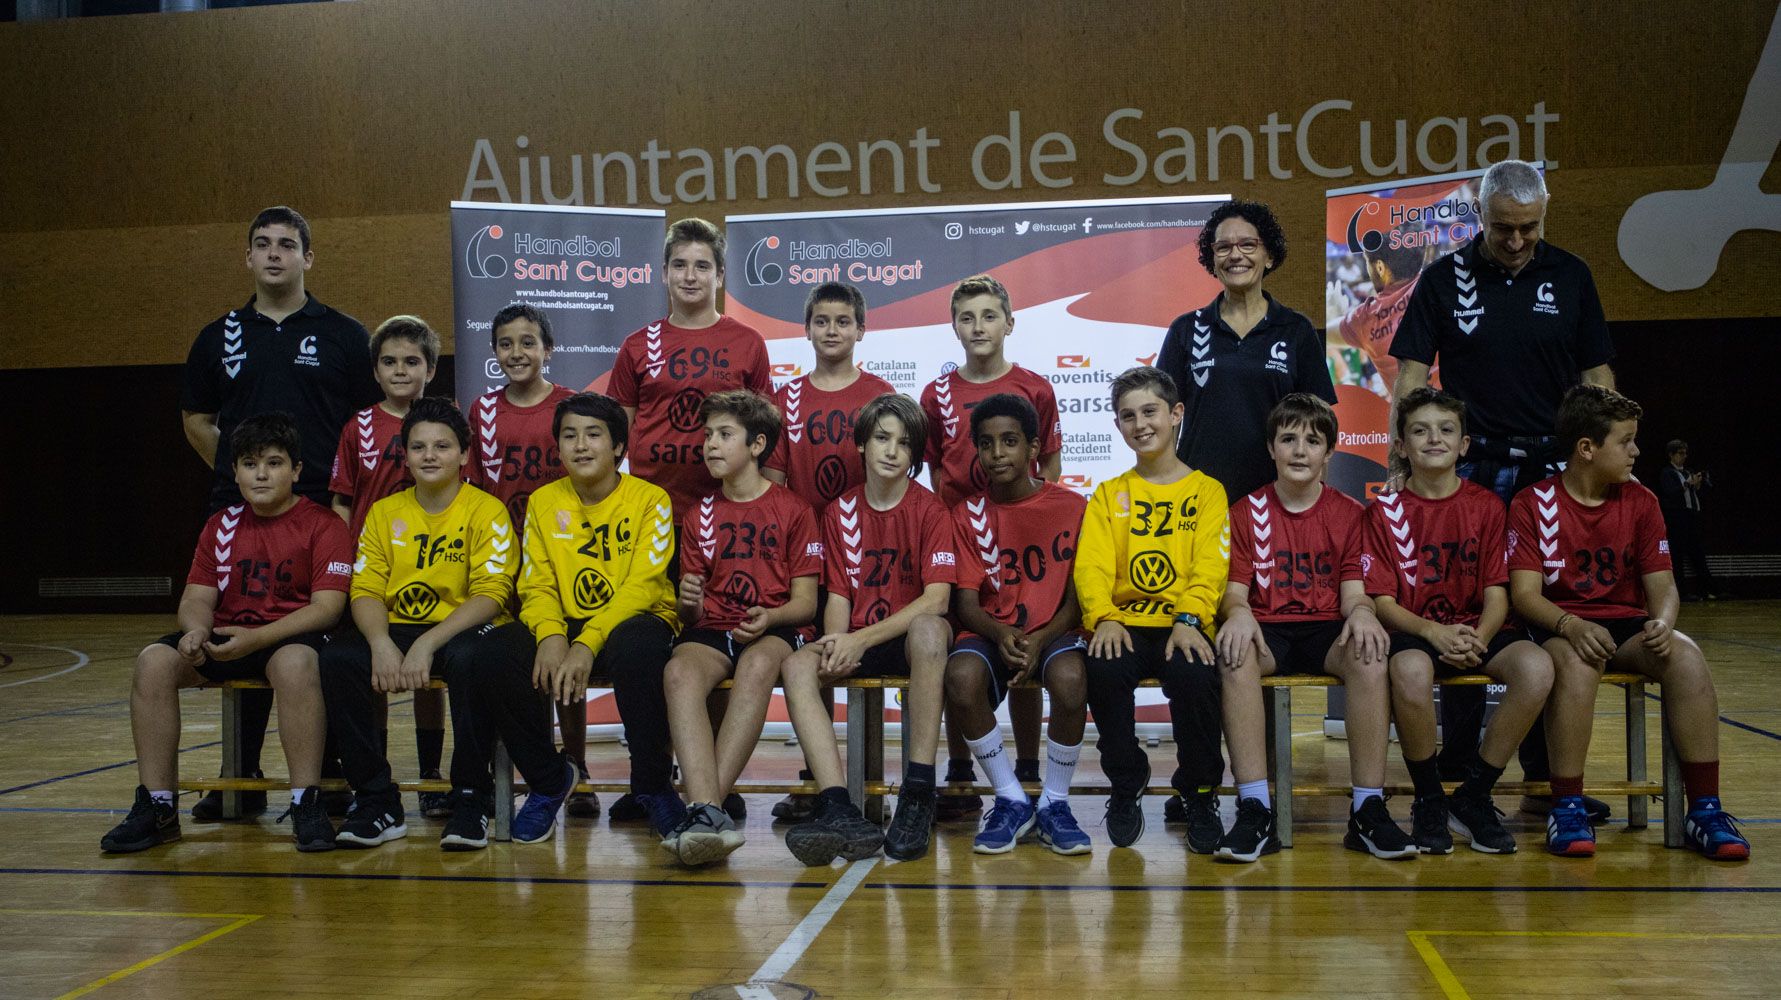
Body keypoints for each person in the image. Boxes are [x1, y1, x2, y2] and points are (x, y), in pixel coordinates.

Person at [1390, 159, 1618, 821]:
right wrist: (1396, 460)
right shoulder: (1442, 278)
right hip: (1472, 467)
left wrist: (1601, 456)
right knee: (1464, 608)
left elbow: (1596, 370)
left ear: (1543, 216)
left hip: (1553, 470)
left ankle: (1552, 779)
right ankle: (1459, 766)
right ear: (1477, 217)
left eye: (1527, 228)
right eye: (1501, 228)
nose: (1515, 240)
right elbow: (1409, 371)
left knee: (1547, 615)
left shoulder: (1571, 275)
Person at [179, 205, 377, 821]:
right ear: (247, 257)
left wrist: (325, 495)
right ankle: (237, 771)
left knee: (321, 640)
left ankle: (327, 771)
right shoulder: (218, 336)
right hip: (240, 512)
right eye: (261, 244)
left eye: (287, 245)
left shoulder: (345, 334)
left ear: (307, 258)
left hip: (326, 510)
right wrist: (251, 477)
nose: (273, 254)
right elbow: (196, 419)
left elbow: (366, 424)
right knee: (242, 623)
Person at [321, 396, 576, 850]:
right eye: (418, 447)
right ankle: (377, 799)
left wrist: (427, 644)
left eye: (442, 446)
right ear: (405, 454)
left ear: (464, 455)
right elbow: (364, 591)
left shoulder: (485, 510)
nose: (430, 456)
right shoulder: (384, 513)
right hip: (400, 624)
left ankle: (471, 797)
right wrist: (379, 642)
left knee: (472, 659)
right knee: (341, 656)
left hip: (464, 625)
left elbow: (492, 593)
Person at [1509, 385, 1748, 860]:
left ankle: (1705, 809)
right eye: (1626, 440)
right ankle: (1568, 805)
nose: (1637, 450)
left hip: (1626, 623)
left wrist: (1662, 622)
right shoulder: (1532, 503)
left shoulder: (1641, 502)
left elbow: (1663, 586)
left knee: (1686, 657)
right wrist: (1571, 626)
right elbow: (1524, 596)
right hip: (1562, 626)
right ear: (1586, 448)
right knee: (1576, 665)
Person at [101, 414, 350, 854]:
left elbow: (327, 610)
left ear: (296, 470)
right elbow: (196, 598)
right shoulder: (222, 524)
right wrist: (196, 633)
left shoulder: (323, 525)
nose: (260, 473)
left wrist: (257, 639)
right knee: (153, 662)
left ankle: (306, 802)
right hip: (227, 634)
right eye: (250, 463)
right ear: (234, 471)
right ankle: (158, 807)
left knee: (295, 664)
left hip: (286, 636)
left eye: (274, 463)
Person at [1214, 394, 1411, 862]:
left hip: (1326, 626)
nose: (1300, 450)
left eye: (1312, 440)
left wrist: (1363, 613)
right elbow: (1235, 593)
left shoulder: (1349, 513)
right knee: (1234, 652)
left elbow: (1354, 592)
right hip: (1269, 627)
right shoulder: (1245, 512)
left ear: (1329, 452)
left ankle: (1367, 809)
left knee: (1369, 652)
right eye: (1288, 439)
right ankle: (1255, 807)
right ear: (1271, 449)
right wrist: (1238, 613)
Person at [1367, 388, 1553, 855]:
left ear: (1464, 445)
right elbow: (1382, 602)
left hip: (1477, 627)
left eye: (1446, 429)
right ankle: (1429, 799)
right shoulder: (1383, 511)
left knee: (1537, 668)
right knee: (1408, 670)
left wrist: (1478, 638)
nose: (1435, 438)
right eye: (1420, 430)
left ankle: (1473, 794)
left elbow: (1498, 593)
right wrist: (1433, 632)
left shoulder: (1488, 506)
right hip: (1415, 628)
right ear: (1401, 445)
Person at [780, 394, 954, 864]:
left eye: (904, 443)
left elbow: (937, 599)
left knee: (930, 629)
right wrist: (838, 643)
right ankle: (839, 807)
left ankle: (918, 791)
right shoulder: (839, 512)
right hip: (859, 635)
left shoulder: (932, 510)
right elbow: (838, 593)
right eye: (882, 438)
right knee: (797, 664)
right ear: (861, 444)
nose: (892, 450)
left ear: (915, 455)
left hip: (906, 642)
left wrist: (860, 638)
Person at [918, 274, 1059, 820]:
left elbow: (1048, 466)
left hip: (1022, 539)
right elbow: (934, 470)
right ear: (953, 326)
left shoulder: (1036, 388)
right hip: (963, 540)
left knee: (1021, 641)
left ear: (1009, 322)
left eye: (988, 315)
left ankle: (1026, 768)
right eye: (966, 317)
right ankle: (959, 770)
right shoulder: (936, 394)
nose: (978, 326)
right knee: (962, 651)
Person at [660, 390, 821, 866]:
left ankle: (702, 810)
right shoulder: (699, 514)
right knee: (677, 673)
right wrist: (687, 602)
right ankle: (709, 812)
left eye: (724, 435)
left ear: (757, 445)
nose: (710, 444)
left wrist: (770, 617)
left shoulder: (793, 509)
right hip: (715, 627)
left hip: (775, 626)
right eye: (707, 434)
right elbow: (693, 616)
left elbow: (806, 604)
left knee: (756, 666)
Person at [1076, 367, 1229, 851]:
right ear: (1117, 425)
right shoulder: (1108, 494)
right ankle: (1127, 780)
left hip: (1182, 622)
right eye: (1128, 416)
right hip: (1125, 622)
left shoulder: (1207, 491)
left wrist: (1189, 618)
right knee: (1101, 666)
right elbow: (1092, 566)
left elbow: (1211, 565)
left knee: (1194, 674)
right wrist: (1103, 615)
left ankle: (1199, 790)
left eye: (1150, 411)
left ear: (1176, 414)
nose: (1140, 424)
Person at [520, 393, 685, 837]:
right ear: (557, 446)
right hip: (569, 623)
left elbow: (644, 586)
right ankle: (551, 780)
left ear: (618, 447)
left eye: (594, 435)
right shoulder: (541, 502)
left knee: (639, 646)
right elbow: (536, 583)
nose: (580, 445)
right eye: (570, 435)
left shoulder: (651, 499)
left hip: (636, 619)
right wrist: (552, 635)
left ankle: (653, 787)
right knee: (506, 652)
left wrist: (586, 642)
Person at [763, 281, 894, 822]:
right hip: (805, 556)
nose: (832, 331)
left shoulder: (881, 394)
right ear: (807, 328)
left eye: (843, 321)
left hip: (864, 550)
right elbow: (772, 478)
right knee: (818, 664)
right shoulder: (786, 398)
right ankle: (819, 777)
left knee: (858, 658)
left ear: (861, 329)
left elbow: (898, 479)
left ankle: (872, 782)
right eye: (822, 321)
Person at [943, 394, 1092, 855]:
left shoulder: (1073, 507)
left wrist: (1041, 637)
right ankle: (1010, 798)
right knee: (961, 679)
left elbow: (1077, 600)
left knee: (1070, 682)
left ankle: (1054, 802)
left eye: (1010, 442)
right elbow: (966, 603)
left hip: (1056, 631)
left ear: (1033, 448)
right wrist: (1001, 634)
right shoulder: (966, 514)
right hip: (992, 630)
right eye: (986, 444)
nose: (997, 454)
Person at [467, 304, 590, 815]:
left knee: (564, 662)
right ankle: (543, 770)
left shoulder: (573, 405)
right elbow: (473, 490)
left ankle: (578, 766)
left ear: (548, 350)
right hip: (506, 559)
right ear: (494, 352)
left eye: (527, 342)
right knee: (523, 664)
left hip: (563, 551)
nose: (516, 353)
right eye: (505, 344)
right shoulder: (482, 411)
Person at [328, 315, 451, 820]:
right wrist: (345, 564)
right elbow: (341, 501)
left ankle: (429, 775)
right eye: (389, 362)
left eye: (412, 362)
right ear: (375, 370)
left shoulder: (445, 421)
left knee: (428, 677)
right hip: (374, 570)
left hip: (433, 567)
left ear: (431, 368)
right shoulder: (358, 426)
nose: (401, 371)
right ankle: (373, 775)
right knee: (372, 672)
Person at [1158, 199, 1336, 504]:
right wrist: (1166, 493)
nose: (1235, 255)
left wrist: (1314, 500)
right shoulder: (1185, 329)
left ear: (1268, 256)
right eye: (1223, 247)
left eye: (1248, 244)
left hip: (1277, 501)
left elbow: (1319, 423)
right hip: (1199, 501)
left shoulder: (1295, 329)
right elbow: (1165, 419)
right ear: (1212, 259)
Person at [609, 217, 774, 521]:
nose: (689, 276)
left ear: (720, 275)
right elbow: (614, 437)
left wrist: (769, 510)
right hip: (650, 513)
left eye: (702, 266)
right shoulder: (637, 345)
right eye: (679, 265)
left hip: (730, 509)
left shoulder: (749, 342)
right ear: (664, 273)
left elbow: (769, 435)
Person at [1657, 439, 1718, 601]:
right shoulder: (1667, 472)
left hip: (1691, 517)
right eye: (1680, 453)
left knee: (1697, 554)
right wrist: (1687, 484)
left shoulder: (1687, 471)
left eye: (1685, 453)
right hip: (1676, 518)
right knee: (1676, 557)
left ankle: (1708, 590)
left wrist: (1696, 484)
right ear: (1671, 455)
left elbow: (1695, 493)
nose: (1684, 457)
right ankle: (1681, 593)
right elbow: (1669, 492)